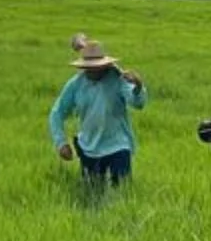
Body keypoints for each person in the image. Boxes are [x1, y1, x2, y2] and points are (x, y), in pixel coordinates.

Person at [48, 39, 146, 186]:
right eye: (89, 68)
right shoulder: (76, 84)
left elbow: (138, 103)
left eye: (97, 67)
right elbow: (57, 113)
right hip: (89, 147)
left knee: (122, 189)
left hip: (118, 145)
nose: (94, 71)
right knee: (93, 191)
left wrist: (138, 85)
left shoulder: (118, 78)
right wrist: (61, 143)